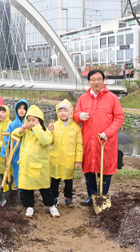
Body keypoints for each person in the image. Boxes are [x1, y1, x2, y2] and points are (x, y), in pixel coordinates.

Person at [74, 69, 125, 206]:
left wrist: (107, 133)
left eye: (99, 79)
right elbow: (75, 115)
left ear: (103, 81)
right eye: (93, 80)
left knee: (105, 170)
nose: (96, 82)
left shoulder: (112, 98)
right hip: (88, 141)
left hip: (105, 141)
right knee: (89, 170)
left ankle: (102, 198)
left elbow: (119, 118)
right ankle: (92, 197)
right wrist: (79, 116)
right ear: (89, 82)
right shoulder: (83, 98)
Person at [12, 105, 58, 218]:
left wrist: (37, 128)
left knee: (44, 187)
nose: (31, 122)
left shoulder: (45, 131)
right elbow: (14, 134)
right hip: (27, 165)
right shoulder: (26, 131)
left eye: (34, 120)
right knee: (27, 187)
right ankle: (29, 207)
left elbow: (46, 141)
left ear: (40, 121)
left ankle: (51, 205)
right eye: (29, 120)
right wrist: (22, 129)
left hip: (40, 165)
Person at [48, 99, 83, 208]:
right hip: (56, 158)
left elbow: (79, 145)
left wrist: (78, 159)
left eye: (65, 110)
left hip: (69, 158)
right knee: (55, 179)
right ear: (57, 113)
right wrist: (50, 131)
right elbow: (49, 141)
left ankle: (68, 197)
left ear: (70, 112)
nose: (63, 113)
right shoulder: (54, 126)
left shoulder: (76, 128)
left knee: (68, 180)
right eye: (60, 111)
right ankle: (55, 197)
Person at [1, 99, 29, 189]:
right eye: (19, 108)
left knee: (25, 172)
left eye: (24, 109)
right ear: (16, 110)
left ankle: (25, 189)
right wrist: (6, 154)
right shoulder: (12, 125)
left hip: (26, 153)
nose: (21, 110)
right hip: (15, 153)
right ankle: (18, 188)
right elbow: (6, 140)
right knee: (17, 171)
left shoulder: (28, 124)